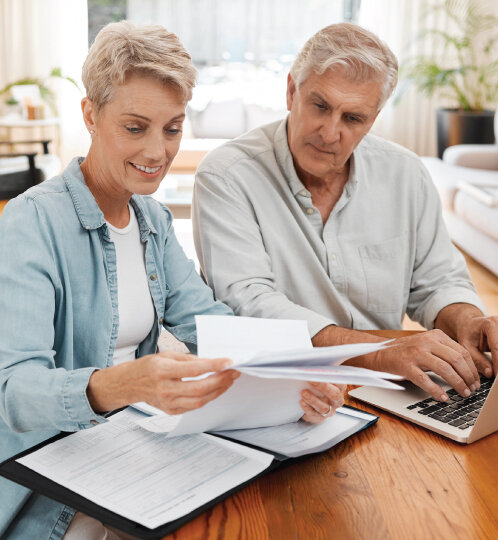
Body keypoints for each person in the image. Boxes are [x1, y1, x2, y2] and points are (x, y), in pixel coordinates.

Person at [0, 22, 344, 540]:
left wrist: (295, 377)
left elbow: (210, 323)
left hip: (132, 455)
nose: (158, 152)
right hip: (51, 490)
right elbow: (13, 391)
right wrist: (122, 385)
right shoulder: (31, 223)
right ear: (91, 115)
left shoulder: (152, 221)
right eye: (135, 127)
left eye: (173, 127)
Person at [192, 23, 498, 406]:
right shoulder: (226, 175)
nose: (330, 132)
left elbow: (438, 281)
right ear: (291, 91)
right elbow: (250, 305)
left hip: (388, 388)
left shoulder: (405, 173)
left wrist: (468, 320)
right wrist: (381, 353)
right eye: (320, 106)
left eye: (353, 118)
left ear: (373, 119)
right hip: (279, 390)